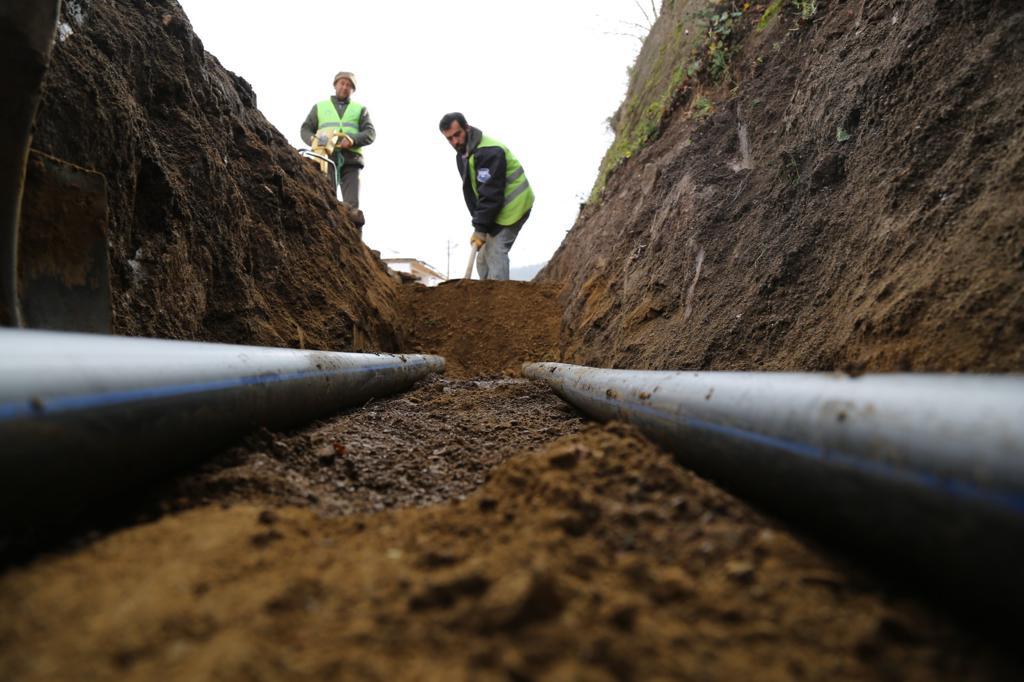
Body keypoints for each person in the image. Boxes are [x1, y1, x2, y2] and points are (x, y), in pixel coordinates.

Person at [439, 112, 534, 280]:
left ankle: (501, 299)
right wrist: (480, 225)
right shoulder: (463, 154)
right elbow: (474, 192)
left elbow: (490, 193)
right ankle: (485, 299)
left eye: (457, 135)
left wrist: (481, 227)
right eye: (449, 139)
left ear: (466, 128)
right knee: (482, 259)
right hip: (495, 209)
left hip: (513, 205)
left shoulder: (490, 152)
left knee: (495, 252)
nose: (455, 141)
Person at [300, 71, 375, 222]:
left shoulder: (360, 109)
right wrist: (313, 140)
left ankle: (353, 240)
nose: (345, 87)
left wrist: (352, 140)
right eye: (342, 83)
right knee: (327, 199)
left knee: (351, 207)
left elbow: (370, 133)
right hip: (326, 160)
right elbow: (305, 129)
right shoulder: (320, 107)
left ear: (353, 89)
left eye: (349, 85)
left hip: (351, 161)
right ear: (335, 85)